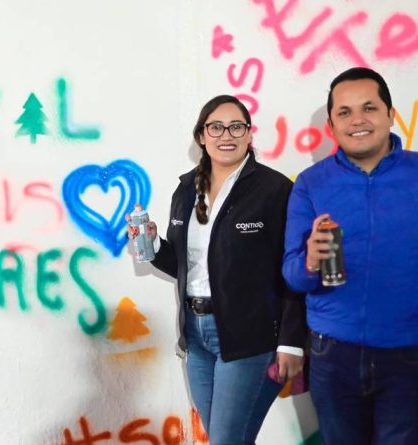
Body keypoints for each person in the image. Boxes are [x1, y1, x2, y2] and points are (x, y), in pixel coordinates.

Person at [282, 67, 418, 444]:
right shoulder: (311, 184)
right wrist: (310, 261)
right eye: (344, 112)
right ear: (331, 125)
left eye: (369, 108)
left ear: (391, 115)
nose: (357, 120)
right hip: (332, 355)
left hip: (410, 356)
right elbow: (293, 276)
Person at [128, 95, 307, 444]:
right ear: (201, 136)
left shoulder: (275, 190)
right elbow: (185, 265)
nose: (227, 134)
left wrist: (290, 342)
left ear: (249, 135)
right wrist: (155, 246)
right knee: (225, 438)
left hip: (248, 338)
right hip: (195, 337)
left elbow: (294, 269)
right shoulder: (185, 190)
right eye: (216, 127)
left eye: (236, 126)